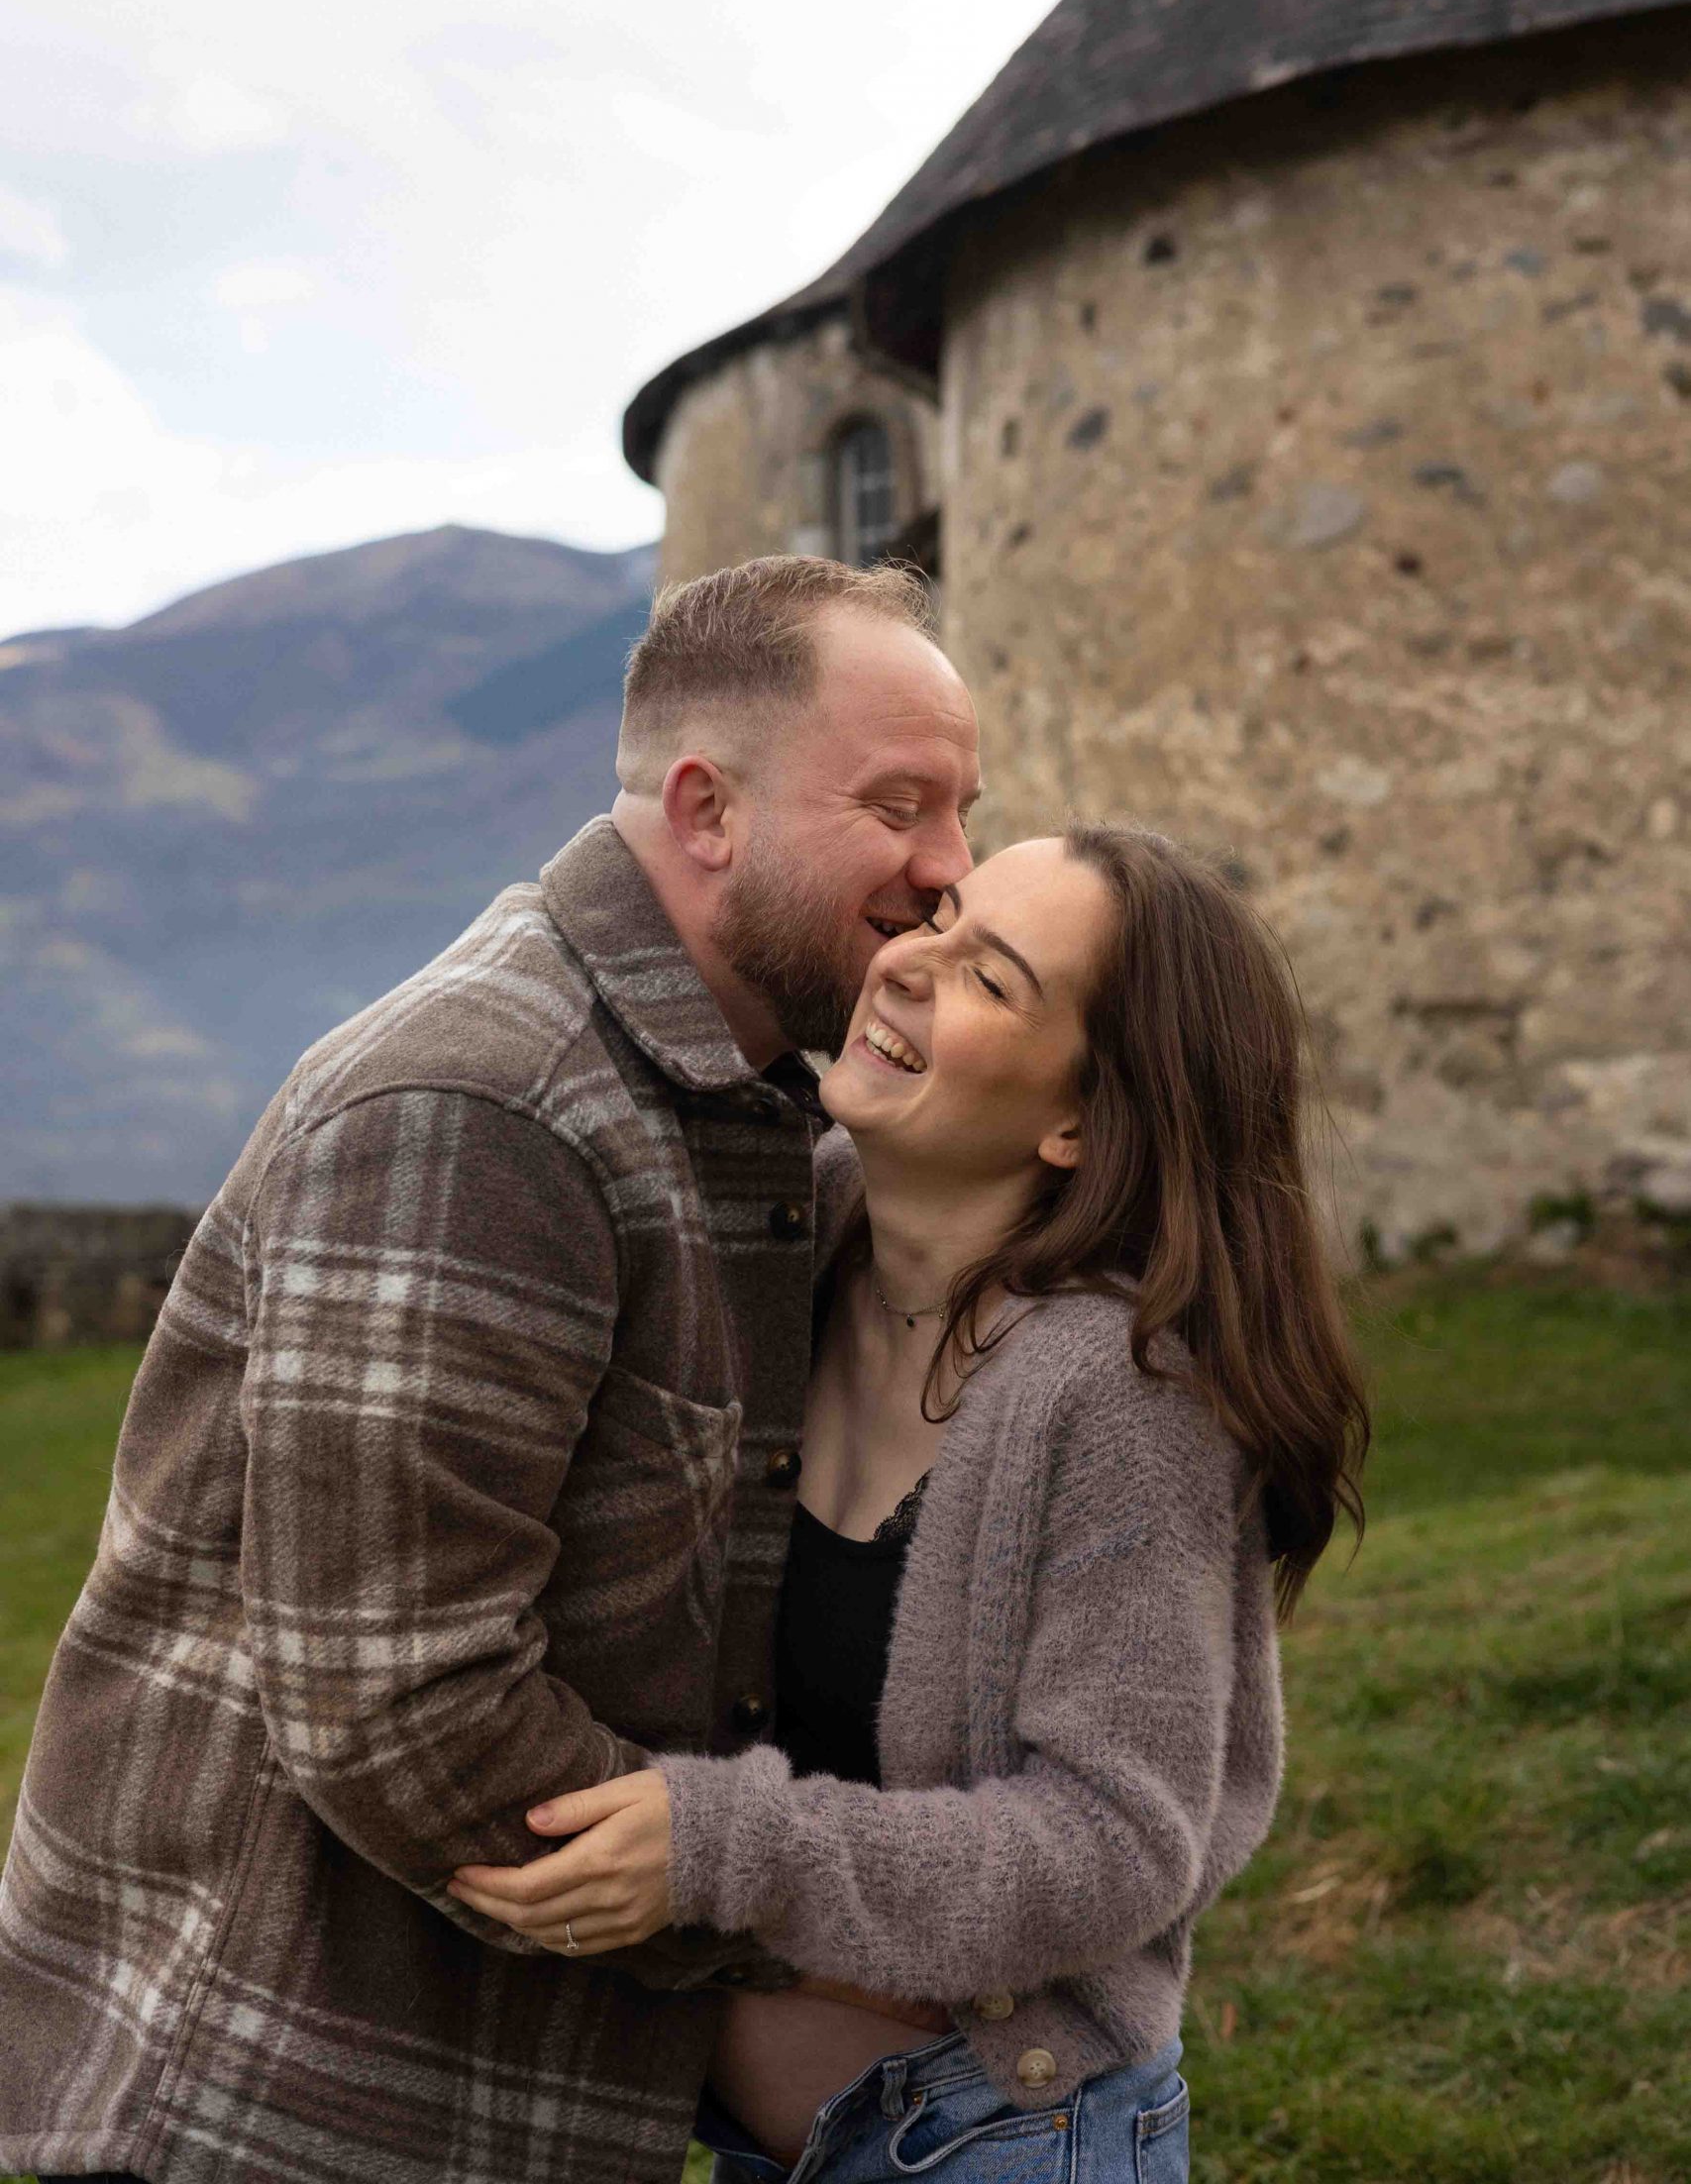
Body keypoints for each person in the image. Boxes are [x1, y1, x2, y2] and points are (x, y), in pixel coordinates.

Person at [0, 556, 979, 2184]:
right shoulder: (486, 1108)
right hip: (291, 2096)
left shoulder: (728, 1101)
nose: (951, 871)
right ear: (706, 809)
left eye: (964, 808)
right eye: (899, 806)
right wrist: (784, 1935)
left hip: (485, 2082)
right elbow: (405, 1707)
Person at [449, 823, 1372, 2182]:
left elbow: (1117, 1843)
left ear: (1082, 1121)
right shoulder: (792, 1245)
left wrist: (721, 1846)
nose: (906, 967)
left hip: (1003, 2136)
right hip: (757, 2144)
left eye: (990, 979)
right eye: (938, 919)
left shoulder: (1121, 1395)